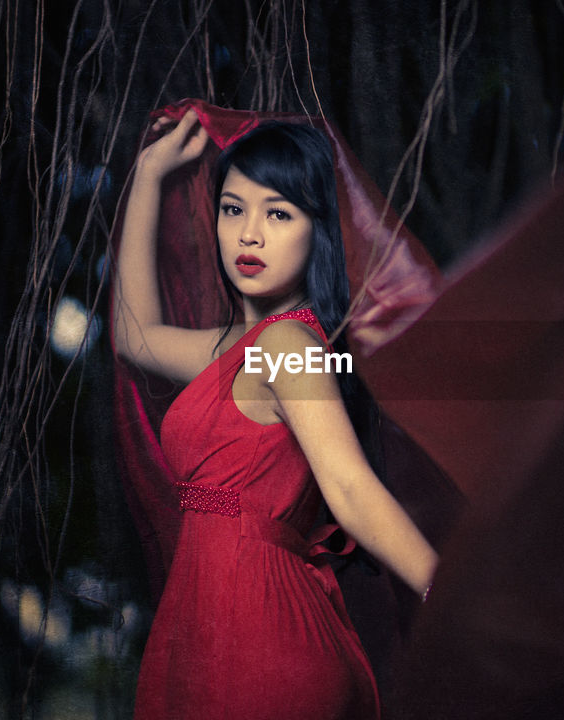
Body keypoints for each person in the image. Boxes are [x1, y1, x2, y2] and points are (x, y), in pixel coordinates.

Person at [113, 108, 438, 719]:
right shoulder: (246, 351)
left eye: (279, 213)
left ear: (318, 231)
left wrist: (442, 590)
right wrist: (149, 176)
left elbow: (348, 485)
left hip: (259, 637)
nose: (249, 235)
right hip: (211, 628)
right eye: (233, 209)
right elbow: (137, 337)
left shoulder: (288, 346)